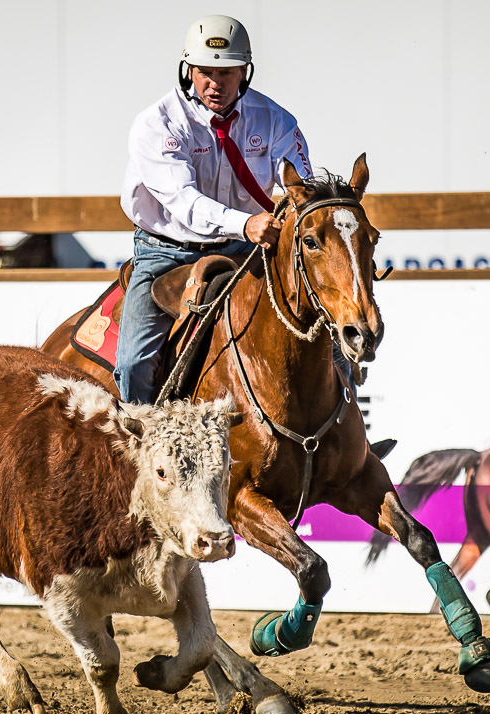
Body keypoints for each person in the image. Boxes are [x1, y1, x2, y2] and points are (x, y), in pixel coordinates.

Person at [116, 14, 395, 459]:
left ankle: (348, 442)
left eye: (226, 71)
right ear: (188, 70)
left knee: (324, 316)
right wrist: (244, 224)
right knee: (134, 361)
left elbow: (301, 188)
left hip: (250, 243)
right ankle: (146, 454)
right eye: (206, 70)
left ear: (245, 71)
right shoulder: (158, 124)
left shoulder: (275, 119)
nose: (215, 82)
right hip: (165, 251)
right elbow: (181, 200)